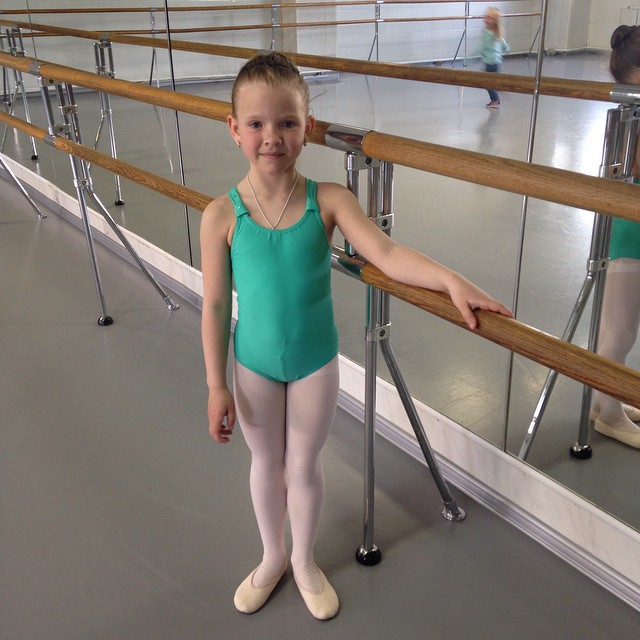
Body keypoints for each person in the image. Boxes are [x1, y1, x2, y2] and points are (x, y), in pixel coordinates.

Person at [199, 52, 513, 620]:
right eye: (257, 123)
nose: (272, 137)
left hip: (315, 362)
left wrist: (450, 279)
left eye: (287, 122)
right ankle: (272, 556)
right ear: (234, 129)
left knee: (304, 465)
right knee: (265, 463)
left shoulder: (329, 200)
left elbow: (387, 254)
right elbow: (217, 305)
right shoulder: (222, 215)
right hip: (253, 363)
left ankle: (303, 560)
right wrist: (215, 384)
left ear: (308, 127)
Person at [591, 24, 640, 449]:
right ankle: (608, 414)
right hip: (628, 238)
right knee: (620, 333)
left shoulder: (629, 112)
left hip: (627, 233)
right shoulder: (631, 116)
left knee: (617, 330)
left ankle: (605, 399)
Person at [478, 7, 510, 109]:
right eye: (486, 16)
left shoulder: (488, 33)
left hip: (491, 62)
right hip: (495, 61)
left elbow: (483, 47)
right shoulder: (496, 32)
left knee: (487, 82)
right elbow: (503, 44)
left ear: (494, 21)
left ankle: (495, 99)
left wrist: (471, 56)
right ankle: (500, 86)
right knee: (492, 80)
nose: (486, 18)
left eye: (489, 17)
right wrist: (506, 49)